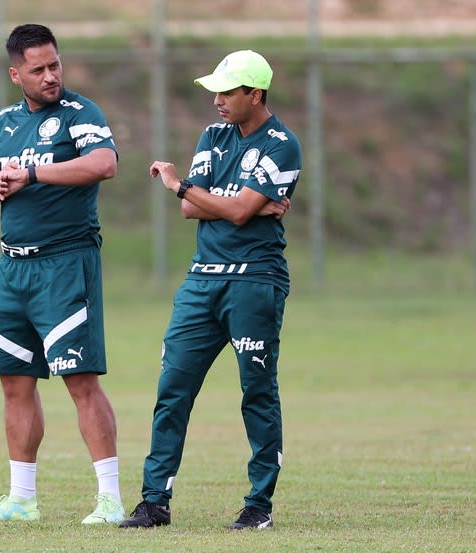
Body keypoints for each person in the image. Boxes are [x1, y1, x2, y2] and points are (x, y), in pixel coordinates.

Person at [119, 50, 300, 530]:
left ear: (254, 94)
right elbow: (199, 211)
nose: (217, 100)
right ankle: (154, 502)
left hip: (255, 282)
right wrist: (247, 204)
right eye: (215, 91)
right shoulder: (213, 136)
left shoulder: (283, 144)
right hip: (202, 281)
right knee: (172, 388)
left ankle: (258, 506)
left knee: (256, 391)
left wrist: (182, 186)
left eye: (227, 91)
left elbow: (224, 208)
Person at [0, 23, 124, 525]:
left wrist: (32, 173)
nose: (51, 75)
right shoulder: (3, 123)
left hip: (65, 264)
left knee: (80, 380)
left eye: (55, 64)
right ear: (16, 74)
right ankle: (21, 500)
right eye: (38, 69)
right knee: (15, 382)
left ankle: (111, 500)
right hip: (14, 269)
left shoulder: (80, 113)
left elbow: (104, 163)